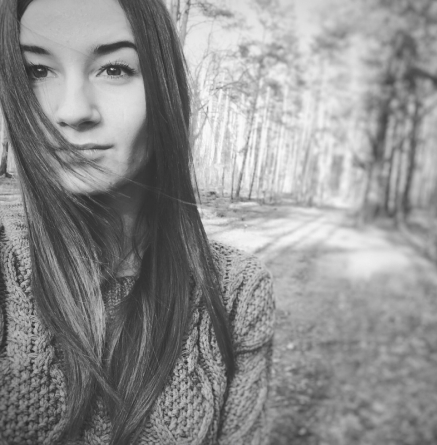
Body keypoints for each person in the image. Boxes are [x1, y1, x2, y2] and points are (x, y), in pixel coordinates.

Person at [0, 0, 275, 444]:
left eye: (114, 69)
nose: (72, 111)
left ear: (164, 90)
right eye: (38, 71)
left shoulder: (237, 292)